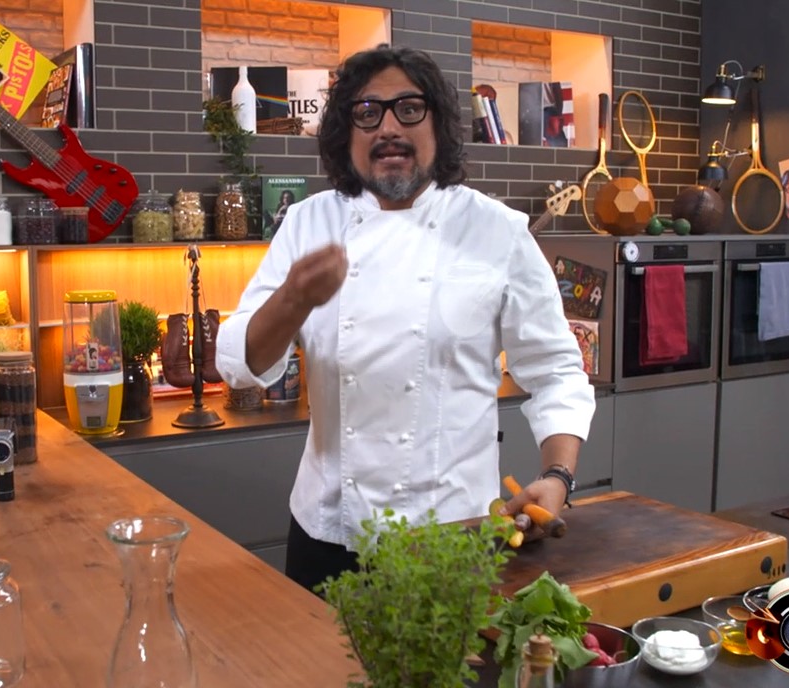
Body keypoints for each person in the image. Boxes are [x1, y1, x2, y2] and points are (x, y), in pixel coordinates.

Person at [215, 45, 594, 593]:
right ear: (346, 133)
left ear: (438, 125)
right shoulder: (305, 223)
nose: (388, 127)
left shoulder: (498, 231)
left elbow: (557, 372)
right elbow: (240, 367)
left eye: (409, 109)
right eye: (367, 112)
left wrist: (557, 476)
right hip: (329, 535)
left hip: (455, 534)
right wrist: (293, 298)